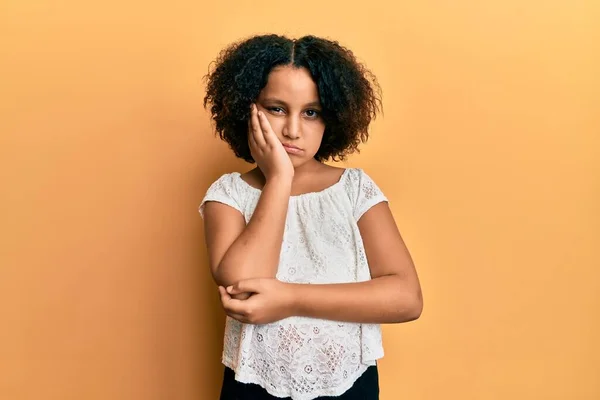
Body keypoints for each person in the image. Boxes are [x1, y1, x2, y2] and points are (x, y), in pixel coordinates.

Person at [199, 34, 423, 400]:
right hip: (252, 385)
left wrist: (291, 298)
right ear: (247, 109)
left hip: (350, 384)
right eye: (276, 108)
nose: (292, 129)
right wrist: (279, 178)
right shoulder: (228, 195)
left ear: (332, 117)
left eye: (311, 112)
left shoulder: (354, 190)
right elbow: (243, 284)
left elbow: (406, 297)